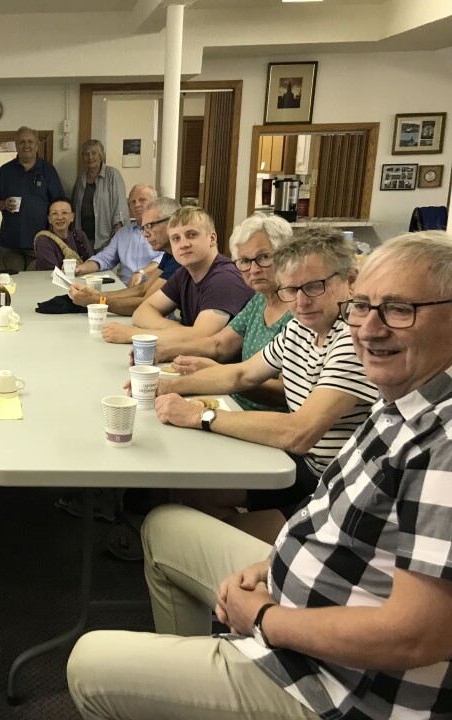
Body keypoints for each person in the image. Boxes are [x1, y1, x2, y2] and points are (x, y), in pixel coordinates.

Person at [68, 230, 452, 720]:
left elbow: (418, 636)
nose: (370, 329)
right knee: (167, 525)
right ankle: (193, 691)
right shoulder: (402, 399)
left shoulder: (441, 441)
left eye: (400, 309)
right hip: (307, 600)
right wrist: (276, 562)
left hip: (339, 686)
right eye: (364, 306)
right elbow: (241, 375)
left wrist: (268, 619)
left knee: (89, 665)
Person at [150, 227, 377, 541]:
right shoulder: (301, 327)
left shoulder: (355, 340)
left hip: (334, 487)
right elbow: (241, 374)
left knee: (200, 535)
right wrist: (162, 385)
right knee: (195, 493)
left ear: (349, 281)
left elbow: (299, 432)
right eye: (290, 289)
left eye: (314, 287)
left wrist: (198, 416)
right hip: (300, 465)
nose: (300, 301)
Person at [159, 213, 295, 411]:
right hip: (232, 404)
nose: (254, 269)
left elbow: (285, 394)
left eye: (264, 257)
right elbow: (219, 344)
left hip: (263, 420)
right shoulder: (259, 300)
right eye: (245, 261)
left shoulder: (300, 311)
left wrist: (217, 373)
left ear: (286, 255)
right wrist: (163, 351)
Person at [102, 206, 254, 346]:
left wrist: (134, 335)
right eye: (176, 238)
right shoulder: (184, 273)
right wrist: (180, 331)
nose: (183, 244)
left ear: (212, 239)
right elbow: (142, 312)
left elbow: (201, 337)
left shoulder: (224, 279)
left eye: (191, 235)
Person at [69, 197, 182, 315]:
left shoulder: (180, 257)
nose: (144, 234)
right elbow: (142, 289)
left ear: (171, 222)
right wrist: (96, 295)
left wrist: (96, 300)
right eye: (143, 228)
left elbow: (146, 303)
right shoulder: (169, 255)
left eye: (150, 226)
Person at [0, 126, 65, 271]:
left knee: (36, 285)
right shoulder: (4, 172)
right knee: (14, 285)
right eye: (22, 142)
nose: (26, 145)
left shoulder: (48, 170)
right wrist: (3, 204)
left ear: (36, 145)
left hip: (40, 242)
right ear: (16, 145)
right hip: (11, 243)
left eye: (30, 141)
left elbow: (60, 204)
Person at [75, 185, 162, 286]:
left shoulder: (164, 230)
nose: (137, 205)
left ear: (155, 203)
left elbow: (166, 260)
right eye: (132, 202)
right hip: (125, 288)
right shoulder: (122, 233)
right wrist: (81, 268)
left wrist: (142, 273)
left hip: (154, 289)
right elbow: (105, 258)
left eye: (142, 200)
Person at [70, 139, 129, 250]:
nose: (90, 157)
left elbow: (120, 204)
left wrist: (117, 232)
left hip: (106, 240)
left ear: (101, 155)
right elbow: (74, 207)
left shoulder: (113, 175)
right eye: (86, 154)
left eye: (94, 153)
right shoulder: (80, 179)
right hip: (83, 240)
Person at [33, 197, 93, 271]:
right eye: (54, 213)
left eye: (64, 212)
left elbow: (91, 262)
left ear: (72, 217)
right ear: (49, 219)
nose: (60, 217)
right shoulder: (43, 240)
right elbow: (50, 272)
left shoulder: (79, 235)